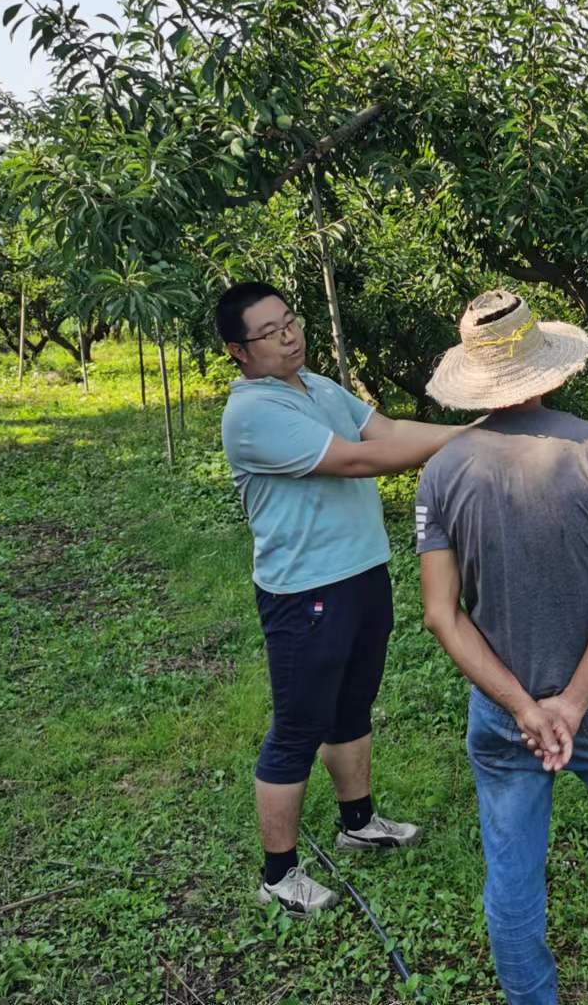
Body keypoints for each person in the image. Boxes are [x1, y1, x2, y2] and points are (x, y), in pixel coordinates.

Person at [416, 290, 588, 1005]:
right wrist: (572, 702)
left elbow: (442, 615)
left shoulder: (441, 471)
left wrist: (524, 708)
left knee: (513, 877)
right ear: (548, 367)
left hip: (503, 712)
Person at [216, 280, 470, 916]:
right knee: (298, 726)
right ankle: (279, 875)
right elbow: (359, 459)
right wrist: (469, 439)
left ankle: (358, 823)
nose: (288, 337)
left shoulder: (318, 387)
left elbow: (388, 428)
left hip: (361, 573)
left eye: (290, 321)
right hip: (306, 589)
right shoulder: (252, 414)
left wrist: (463, 431)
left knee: (352, 705)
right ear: (238, 351)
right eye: (269, 332)